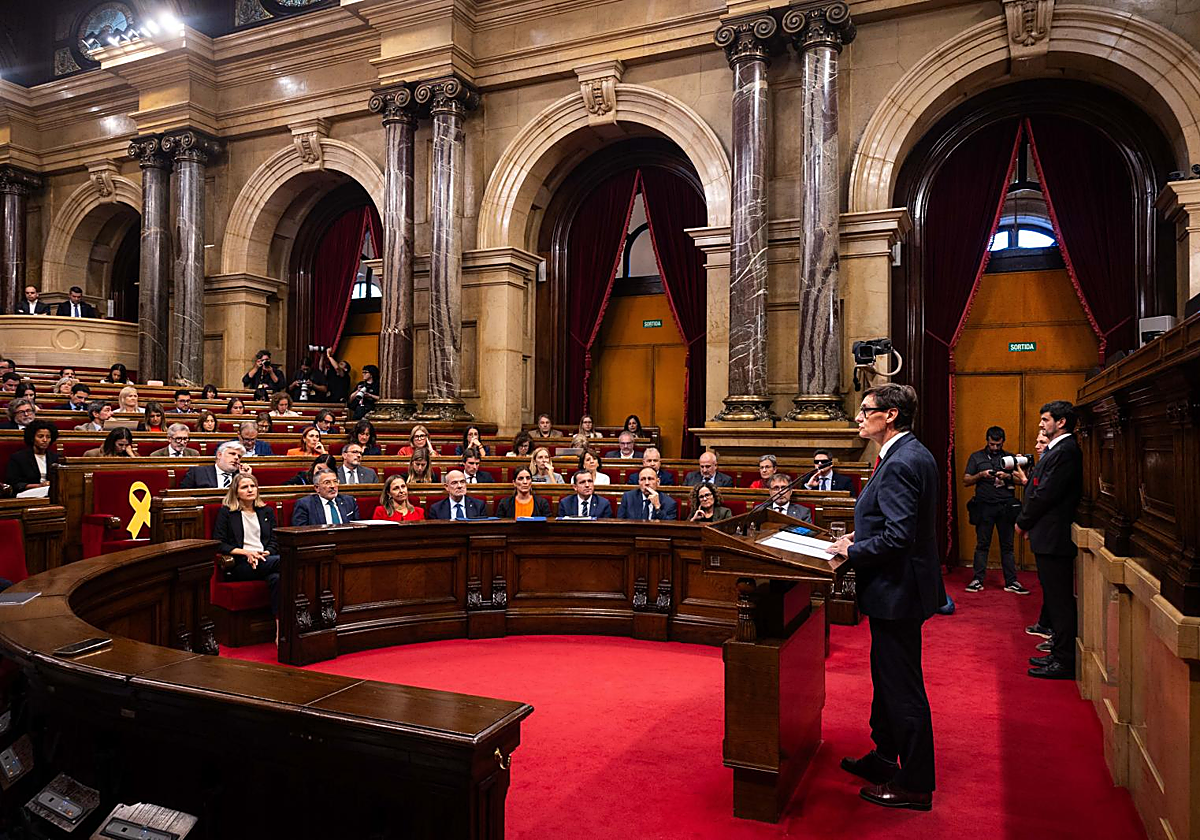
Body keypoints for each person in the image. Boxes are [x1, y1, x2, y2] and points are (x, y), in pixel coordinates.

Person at [825, 384, 939, 810]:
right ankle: (884, 757)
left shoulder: (901, 462)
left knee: (902, 686)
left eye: (865, 409)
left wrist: (853, 550)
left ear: (889, 415)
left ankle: (915, 784)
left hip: (898, 592)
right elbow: (893, 525)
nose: (858, 416)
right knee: (886, 680)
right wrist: (861, 534)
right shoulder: (909, 453)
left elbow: (898, 537)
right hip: (900, 589)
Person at [1017, 401, 1083, 681]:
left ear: (1062, 422)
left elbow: (1044, 493)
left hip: (1055, 536)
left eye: (1046, 420)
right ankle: (1057, 654)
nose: (1042, 425)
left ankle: (1064, 660)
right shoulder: (1059, 450)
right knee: (1055, 600)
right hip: (1048, 534)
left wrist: (1023, 521)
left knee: (1060, 602)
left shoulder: (1066, 451)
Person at [963, 427, 1028, 595]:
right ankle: (977, 579)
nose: (995, 448)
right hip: (984, 506)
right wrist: (981, 475)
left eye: (998, 445)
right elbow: (966, 480)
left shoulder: (1010, 458)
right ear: (987, 441)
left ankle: (1011, 581)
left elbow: (1022, 481)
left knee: (1008, 546)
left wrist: (1007, 476)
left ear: (1003, 442)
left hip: (1006, 507)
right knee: (982, 544)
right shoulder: (976, 457)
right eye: (992, 444)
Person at [213, 473, 281, 619]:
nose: (250, 490)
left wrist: (266, 553)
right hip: (241, 564)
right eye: (244, 487)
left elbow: (274, 540)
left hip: (265, 559)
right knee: (285, 562)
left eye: (253, 486)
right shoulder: (227, 512)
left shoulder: (266, 511)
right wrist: (247, 553)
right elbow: (219, 543)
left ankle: (279, 628)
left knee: (277, 579)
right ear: (236, 492)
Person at [6, 420, 59, 493]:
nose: (45, 440)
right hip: (27, 494)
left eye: (48, 437)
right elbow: (15, 484)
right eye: (40, 436)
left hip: (51, 493)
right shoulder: (19, 458)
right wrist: (40, 486)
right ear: (32, 438)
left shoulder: (55, 457)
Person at [291, 470, 361, 526]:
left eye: (335, 481)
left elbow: (358, 527)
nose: (333, 486)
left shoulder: (349, 501)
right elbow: (300, 532)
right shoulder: (305, 505)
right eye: (327, 482)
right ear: (317, 488)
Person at [180, 441, 249, 489]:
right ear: (219, 455)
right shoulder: (198, 472)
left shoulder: (239, 476)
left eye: (239, 456)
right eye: (232, 454)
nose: (236, 458)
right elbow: (184, 495)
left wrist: (245, 477)